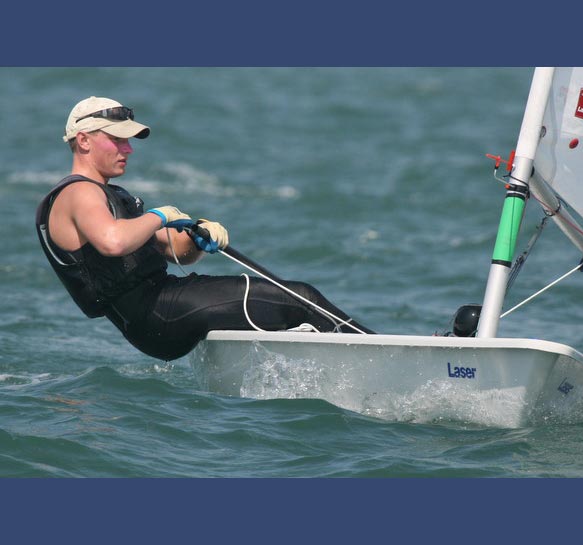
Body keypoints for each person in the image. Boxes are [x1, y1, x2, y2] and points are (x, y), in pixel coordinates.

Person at [36, 96, 373, 361]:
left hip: (159, 312)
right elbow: (112, 243)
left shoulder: (110, 196)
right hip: (157, 314)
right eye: (118, 140)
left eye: (129, 141)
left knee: (290, 309)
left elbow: (173, 251)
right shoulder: (78, 193)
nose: (128, 149)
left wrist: (198, 237)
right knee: (302, 298)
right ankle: (378, 352)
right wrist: (160, 214)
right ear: (83, 141)